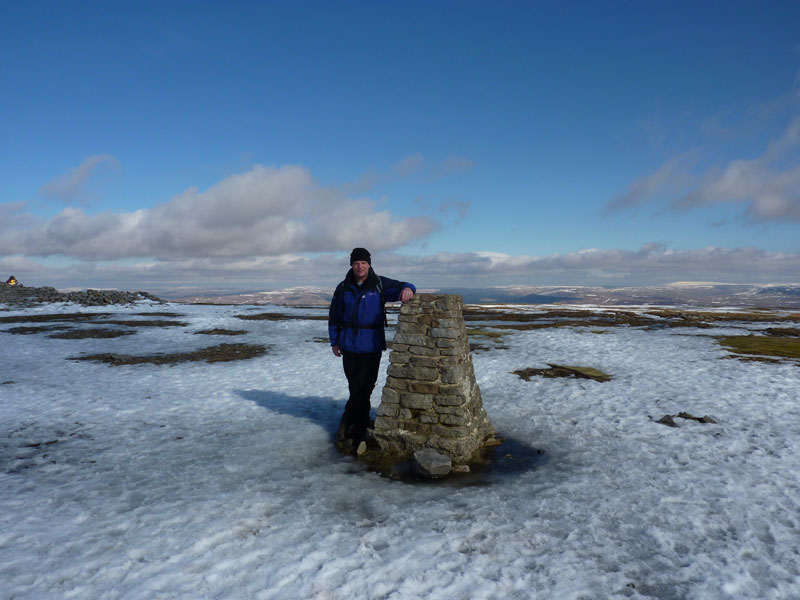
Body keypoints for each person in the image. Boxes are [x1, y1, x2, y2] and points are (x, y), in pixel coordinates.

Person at [328, 248, 415, 444]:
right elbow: (334, 317)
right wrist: (334, 341)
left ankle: (348, 421)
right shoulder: (342, 288)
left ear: (369, 265)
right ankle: (361, 423)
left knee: (365, 387)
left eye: (363, 263)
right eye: (356, 263)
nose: (360, 266)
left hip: (372, 345)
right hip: (348, 345)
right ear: (352, 265)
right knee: (355, 387)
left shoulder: (379, 284)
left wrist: (409, 289)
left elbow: (405, 285)